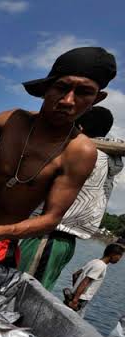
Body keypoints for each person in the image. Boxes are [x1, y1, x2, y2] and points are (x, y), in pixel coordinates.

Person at [0, 47, 117, 266]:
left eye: (83, 92)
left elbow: (51, 219)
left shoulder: (80, 152)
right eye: (61, 87)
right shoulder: (13, 119)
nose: (68, 100)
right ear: (46, 89)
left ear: (96, 98)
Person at [19, 106, 123, 289]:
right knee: (40, 288)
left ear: (80, 127)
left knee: (21, 286)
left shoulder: (77, 151)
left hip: (47, 236)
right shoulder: (109, 159)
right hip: (64, 241)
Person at [64, 243, 123, 317]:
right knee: (75, 318)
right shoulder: (101, 266)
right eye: (119, 257)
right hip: (81, 298)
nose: (119, 260)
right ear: (112, 254)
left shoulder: (95, 261)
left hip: (76, 295)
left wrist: (75, 289)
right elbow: (85, 281)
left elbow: (75, 274)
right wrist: (75, 300)